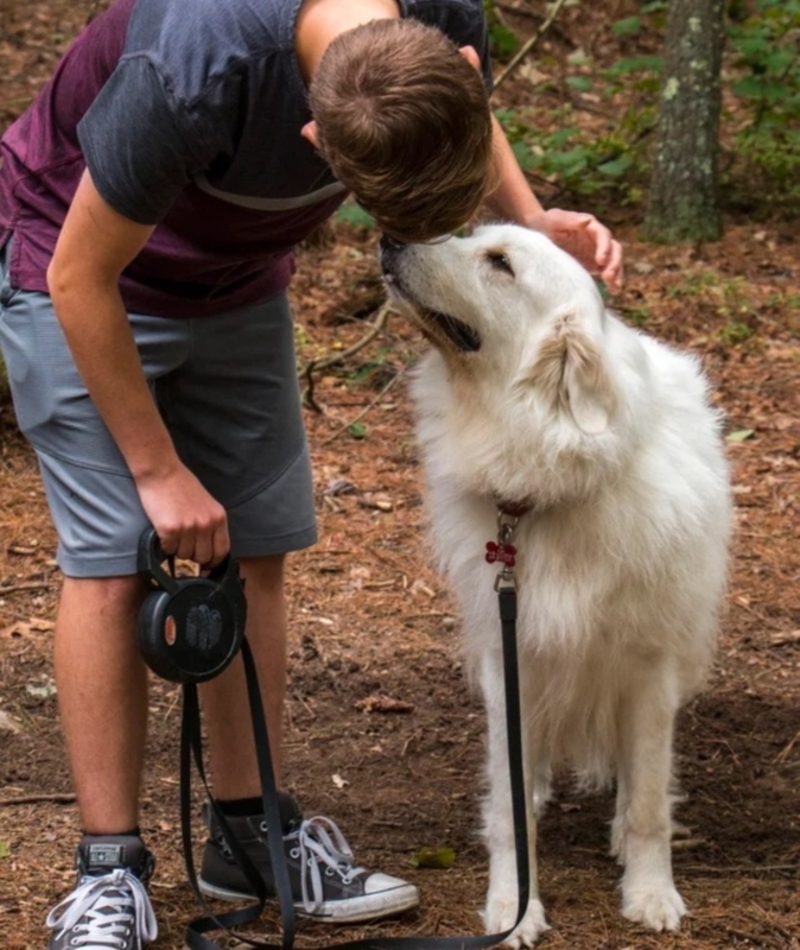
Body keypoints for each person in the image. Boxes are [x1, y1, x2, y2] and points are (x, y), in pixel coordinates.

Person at [0, 1, 623, 948]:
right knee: (111, 559)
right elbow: (78, 279)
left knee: (257, 547)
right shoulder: (190, 69)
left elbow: (461, 109)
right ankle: (108, 872)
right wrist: (158, 469)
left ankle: (253, 838)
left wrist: (531, 219)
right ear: (314, 135)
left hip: (238, 279)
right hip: (77, 267)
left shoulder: (444, 12)